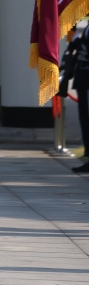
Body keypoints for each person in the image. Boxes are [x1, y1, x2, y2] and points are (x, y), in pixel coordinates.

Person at [61, 21, 89, 173]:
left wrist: (75, 38)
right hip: (83, 79)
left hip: (86, 78)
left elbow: (85, 48)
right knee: (84, 120)